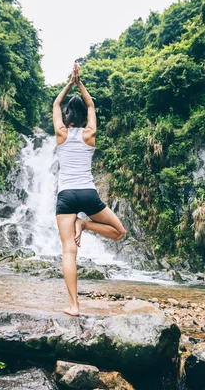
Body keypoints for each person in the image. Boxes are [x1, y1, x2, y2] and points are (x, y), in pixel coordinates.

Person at [52, 63, 126, 317]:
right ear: (84, 117)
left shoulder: (60, 133)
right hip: (87, 193)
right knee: (119, 232)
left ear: (68, 115)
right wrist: (80, 82)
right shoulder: (90, 134)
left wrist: (69, 84)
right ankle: (85, 225)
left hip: (65, 197)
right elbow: (92, 105)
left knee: (68, 252)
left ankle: (74, 306)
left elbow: (55, 104)